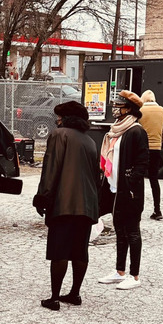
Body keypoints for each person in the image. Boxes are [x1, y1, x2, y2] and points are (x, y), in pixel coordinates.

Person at [32, 101, 99, 311]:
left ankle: (53, 297)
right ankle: (75, 293)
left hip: (64, 201)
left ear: (66, 118)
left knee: (59, 249)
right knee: (80, 250)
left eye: (59, 116)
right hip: (87, 204)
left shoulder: (59, 135)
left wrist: (42, 196)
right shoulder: (90, 141)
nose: (56, 120)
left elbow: (51, 168)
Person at [97, 91, 149, 290]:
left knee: (132, 232)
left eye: (119, 106)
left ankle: (135, 276)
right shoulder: (116, 131)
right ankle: (120, 271)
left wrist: (130, 180)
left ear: (129, 109)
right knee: (120, 230)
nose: (115, 109)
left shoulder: (136, 131)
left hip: (129, 191)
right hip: (114, 189)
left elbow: (142, 162)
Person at [138, 90, 163, 221]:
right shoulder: (162, 111)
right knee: (154, 180)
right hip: (156, 149)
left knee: (139, 180)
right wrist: (159, 142)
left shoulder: (140, 111)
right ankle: (157, 210)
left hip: (142, 149)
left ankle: (138, 210)